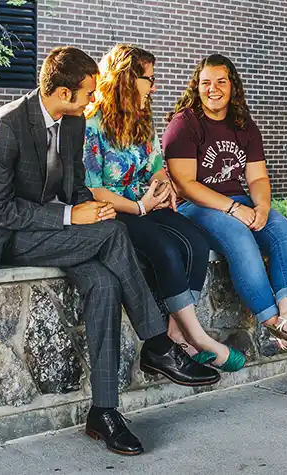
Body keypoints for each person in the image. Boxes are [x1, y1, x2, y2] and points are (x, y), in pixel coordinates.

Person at [0, 46, 219, 456]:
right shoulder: (2, 127)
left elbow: (77, 185)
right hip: (8, 236)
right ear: (64, 93)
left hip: (57, 230)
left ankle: (104, 412)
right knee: (116, 234)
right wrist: (70, 218)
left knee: (103, 284)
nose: (93, 100)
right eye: (86, 93)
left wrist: (90, 209)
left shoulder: (73, 121)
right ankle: (158, 343)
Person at [83, 44, 244, 372]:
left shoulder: (142, 118)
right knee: (166, 250)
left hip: (147, 204)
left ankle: (175, 335)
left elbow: (155, 165)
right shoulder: (92, 125)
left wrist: (164, 184)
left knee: (197, 243)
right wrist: (139, 206)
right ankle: (199, 338)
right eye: (149, 79)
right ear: (126, 80)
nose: (154, 86)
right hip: (114, 212)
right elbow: (93, 188)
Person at [163, 54, 287, 352]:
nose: (213, 89)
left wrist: (261, 207)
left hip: (238, 200)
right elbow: (185, 184)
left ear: (233, 86)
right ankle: (274, 325)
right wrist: (234, 209)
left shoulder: (244, 125)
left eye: (221, 81)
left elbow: (257, 178)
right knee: (240, 236)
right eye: (205, 83)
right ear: (197, 87)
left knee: (283, 232)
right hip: (195, 205)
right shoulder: (185, 123)